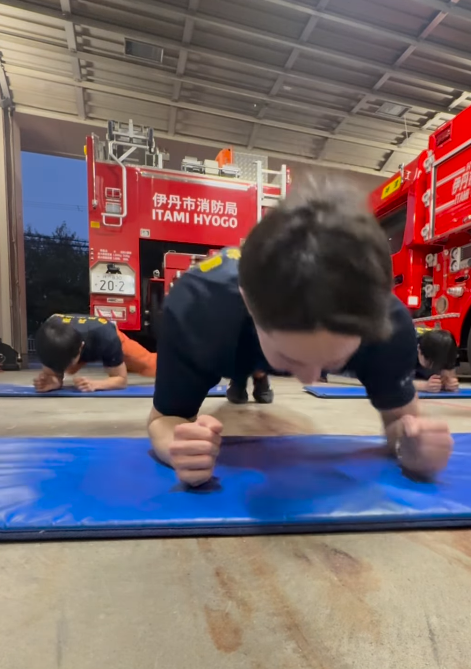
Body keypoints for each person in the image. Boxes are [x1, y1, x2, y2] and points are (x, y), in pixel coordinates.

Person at [148, 184, 453, 487]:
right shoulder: (197, 308)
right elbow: (163, 419)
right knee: (237, 368)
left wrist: (412, 446)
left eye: (335, 359)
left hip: (243, 336)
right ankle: (248, 375)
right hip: (230, 336)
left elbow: (400, 422)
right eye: (291, 357)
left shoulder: (389, 323)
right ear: (248, 303)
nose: (310, 379)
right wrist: (180, 447)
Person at [34, 314, 156, 392]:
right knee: (64, 367)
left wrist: (96, 384)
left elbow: (121, 380)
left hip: (101, 335)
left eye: (69, 363)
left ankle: (174, 361)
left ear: (81, 348)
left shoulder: (107, 338)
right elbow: (55, 366)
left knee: (150, 366)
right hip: (73, 344)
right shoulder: (46, 340)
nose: (65, 369)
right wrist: (54, 380)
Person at [413, 327, 459, 393]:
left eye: (437, 364)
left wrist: (449, 383)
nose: (432, 368)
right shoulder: (401, 348)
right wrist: (424, 386)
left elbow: (450, 374)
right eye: (429, 363)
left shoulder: (446, 348)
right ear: (419, 350)